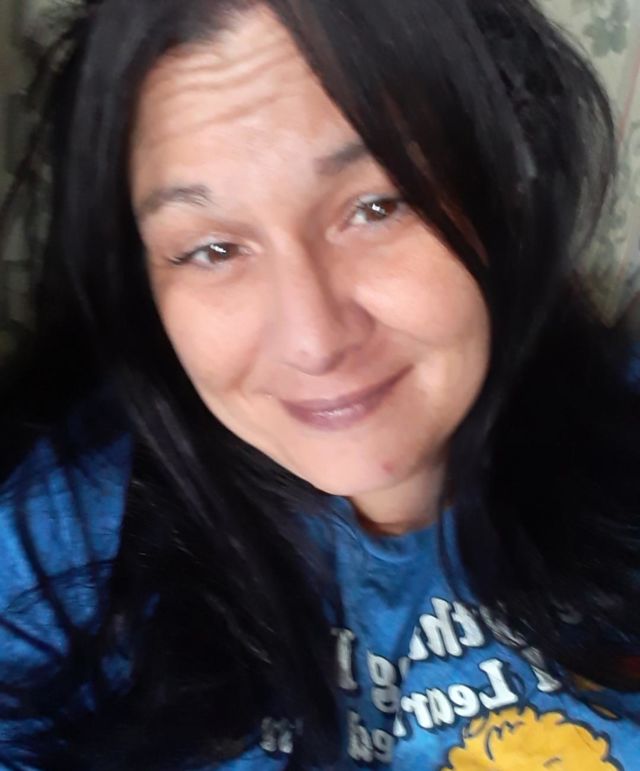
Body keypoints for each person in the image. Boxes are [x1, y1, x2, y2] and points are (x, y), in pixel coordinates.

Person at [0, 0, 639, 768]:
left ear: (504, 177)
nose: (313, 340)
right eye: (211, 249)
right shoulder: (66, 544)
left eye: (377, 206)